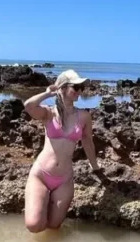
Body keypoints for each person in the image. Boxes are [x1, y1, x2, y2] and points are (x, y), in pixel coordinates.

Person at [23, 68, 102, 233]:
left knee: (53, 226)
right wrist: (48, 93)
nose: (79, 91)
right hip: (42, 175)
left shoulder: (84, 116)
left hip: (64, 179)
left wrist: (95, 167)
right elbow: (29, 106)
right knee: (34, 225)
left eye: (81, 88)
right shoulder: (49, 112)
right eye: (75, 87)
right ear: (63, 88)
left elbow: (88, 142)